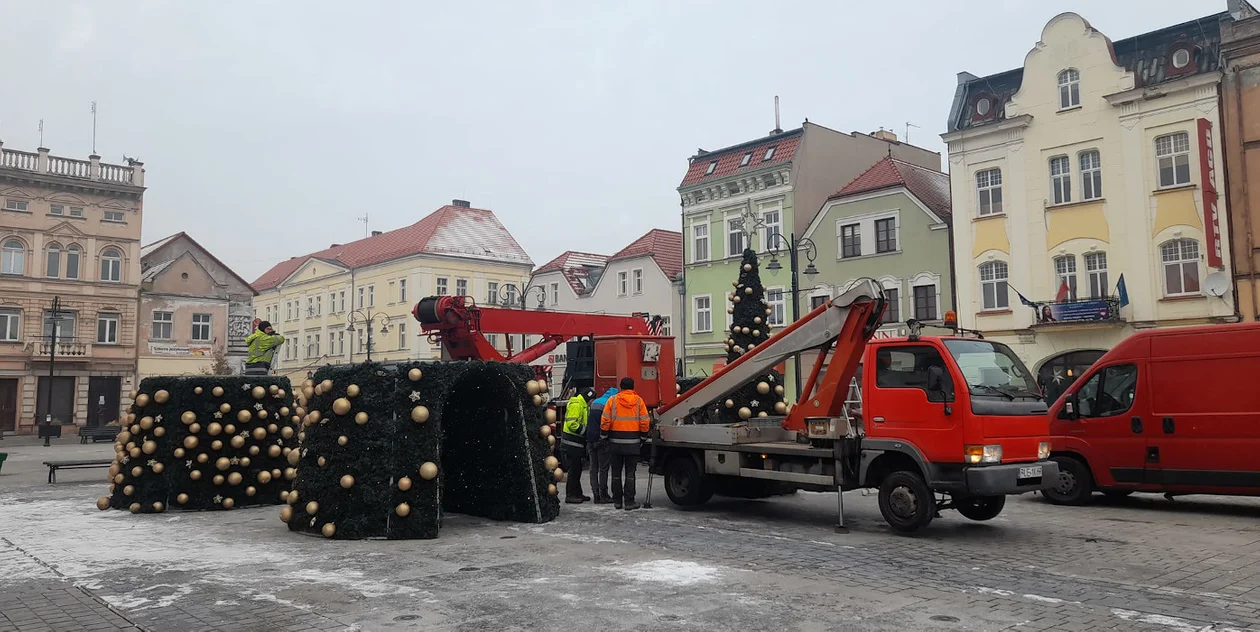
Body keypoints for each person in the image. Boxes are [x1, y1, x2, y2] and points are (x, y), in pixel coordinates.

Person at [600, 377, 650, 510]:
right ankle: (629, 502)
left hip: (615, 443)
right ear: (633, 387)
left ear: (621, 387)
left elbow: (605, 420)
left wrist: (604, 436)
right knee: (630, 473)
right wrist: (643, 438)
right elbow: (645, 421)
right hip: (633, 443)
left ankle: (617, 501)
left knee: (616, 473)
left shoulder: (613, 400)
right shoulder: (639, 401)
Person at [560, 389, 594, 504]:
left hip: (575, 444)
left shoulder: (584, 406)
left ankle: (577, 493)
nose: (592, 403)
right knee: (573, 470)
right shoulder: (576, 405)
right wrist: (585, 432)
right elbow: (571, 424)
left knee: (577, 469)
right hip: (571, 444)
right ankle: (570, 495)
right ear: (588, 399)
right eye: (592, 400)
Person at [586, 386, 619, 504]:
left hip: (590, 439)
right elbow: (609, 423)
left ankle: (596, 494)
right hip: (602, 440)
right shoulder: (609, 404)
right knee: (603, 468)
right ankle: (604, 494)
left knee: (593, 468)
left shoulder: (595, 402)